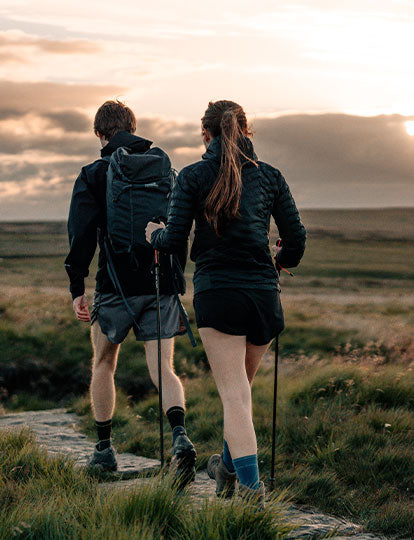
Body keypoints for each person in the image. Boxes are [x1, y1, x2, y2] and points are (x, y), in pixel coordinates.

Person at [146, 100, 306, 503]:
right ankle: (227, 470)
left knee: (235, 396)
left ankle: (252, 494)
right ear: (246, 133)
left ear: (206, 135)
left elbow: (174, 239)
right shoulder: (270, 177)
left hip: (219, 294)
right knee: (241, 393)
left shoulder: (195, 176)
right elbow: (297, 240)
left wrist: (153, 235)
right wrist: (280, 261)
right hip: (263, 296)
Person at [65, 100, 196, 478]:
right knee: (163, 367)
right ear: (133, 128)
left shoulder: (94, 173)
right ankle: (180, 437)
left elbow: (81, 235)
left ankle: (104, 450)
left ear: (100, 134)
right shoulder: (163, 168)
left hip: (115, 285)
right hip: (160, 282)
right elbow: (178, 226)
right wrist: (175, 278)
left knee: (104, 363)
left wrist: (77, 286)